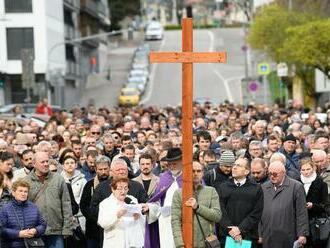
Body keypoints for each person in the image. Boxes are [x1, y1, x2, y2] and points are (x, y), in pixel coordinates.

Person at [24, 151, 73, 248]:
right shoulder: (26, 181)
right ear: (34, 164)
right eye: (42, 162)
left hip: (56, 230)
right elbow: (22, 206)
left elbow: (66, 204)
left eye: (47, 161)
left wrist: (67, 228)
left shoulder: (58, 179)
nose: (46, 164)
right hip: (35, 230)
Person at [171, 161, 222, 247]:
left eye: (198, 171)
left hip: (206, 243)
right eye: (193, 171)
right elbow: (175, 221)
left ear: (203, 173)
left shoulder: (211, 191)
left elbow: (217, 216)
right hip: (187, 243)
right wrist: (180, 245)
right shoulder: (179, 193)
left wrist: (197, 207)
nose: (195, 174)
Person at [259, 161, 309, 248]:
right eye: (269, 173)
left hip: (288, 235)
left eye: (275, 174)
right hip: (268, 235)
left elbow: (302, 213)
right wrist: (260, 233)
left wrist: (302, 234)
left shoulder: (296, 187)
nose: (272, 176)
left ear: (284, 173)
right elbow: (259, 212)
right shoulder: (264, 187)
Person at [142, 147, 184, 248]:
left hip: (184, 220)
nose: (171, 167)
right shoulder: (164, 177)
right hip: (166, 222)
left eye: (174, 164)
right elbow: (157, 202)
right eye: (169, 164)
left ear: (182, 162)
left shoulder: (189, 177)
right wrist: (150, 208)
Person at [217, 157, 263, 247]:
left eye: (238, 165)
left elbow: (256, 212)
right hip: (227, 236)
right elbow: (220, 210)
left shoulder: (256, 188)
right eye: (234, 165)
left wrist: (240, 229)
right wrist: (231, 230)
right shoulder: (223, 187)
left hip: (248, 236)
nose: (234, 167)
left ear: (246, 171)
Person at [98, 177, 145, 248]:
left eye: (125, 188)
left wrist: (139, 216)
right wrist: (117, 216)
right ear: (113, 189)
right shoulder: (105, 203)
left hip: (133, 241)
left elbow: (142, 220)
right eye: (119, 188)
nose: (123, 191)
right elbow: (103, 223)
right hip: (115, 242)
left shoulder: (132, 199)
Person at [0, 180, 47, 247]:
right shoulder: (5, 209)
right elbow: (1, 230)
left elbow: (43, 225)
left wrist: (35, 230)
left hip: (32, 245)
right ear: (13, 193)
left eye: (25, 191)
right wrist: (18, 234)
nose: (23, 194)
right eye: (20, 191)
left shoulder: (34, 207)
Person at [80, 155, 111, 248]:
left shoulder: (115, 184)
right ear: (96, 169)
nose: (103, 172)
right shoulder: (89, 185)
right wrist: (94, 218)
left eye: (105, 169)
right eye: (100, 169)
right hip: (93, 229)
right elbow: (84, 206)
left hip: (110, 228)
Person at [300, 158, 329, 247]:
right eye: (303, 170)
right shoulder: (296, 182)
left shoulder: (321, 184)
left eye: (308, 169)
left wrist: (313, 206)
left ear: (313, 168)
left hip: (315, 222)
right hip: (299, 221)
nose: (306, 172)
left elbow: (325, 205)